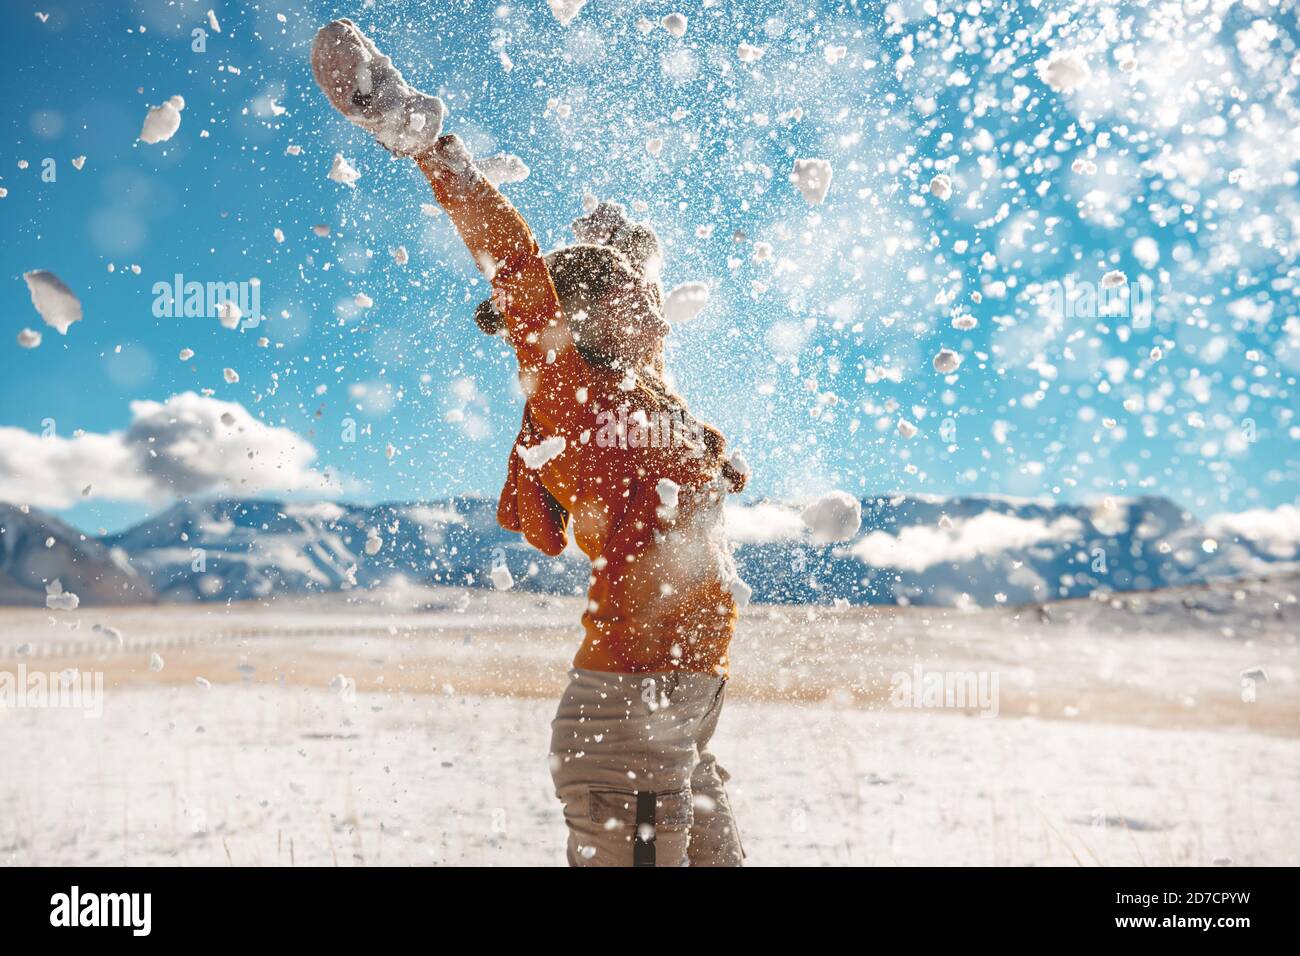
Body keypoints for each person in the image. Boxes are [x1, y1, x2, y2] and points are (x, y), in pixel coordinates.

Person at [312, 18, 749, 866]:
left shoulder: (649, 390)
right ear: (590, 315)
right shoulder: (571, 390)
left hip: (687, 718)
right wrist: (424, 140)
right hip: (627, 720)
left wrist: (628, 253)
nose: (658, 306)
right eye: (635, 292)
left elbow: (651, 362)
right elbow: (514, 263)